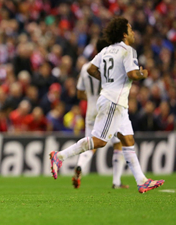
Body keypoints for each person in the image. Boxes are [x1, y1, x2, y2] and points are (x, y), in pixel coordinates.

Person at [50, 17, 165, 194]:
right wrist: (144, 73)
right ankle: (59, 156)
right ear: (124, 34)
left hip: (116, 102)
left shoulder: (106, 50)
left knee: (127, 140)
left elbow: (90, 69)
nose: (133, 32)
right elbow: (133, 74)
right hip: (114, 101)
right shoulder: (128, 51)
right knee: (100, 141)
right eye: (131, 29)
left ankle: (141, 181)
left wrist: (106, 80)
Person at [72, 38, 129, 189]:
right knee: (119, 143)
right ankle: (116, 181)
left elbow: (79, 94)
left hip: (90, 109)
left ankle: (80, 166)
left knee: (90, 143)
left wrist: (91, 98)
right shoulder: (111, 66)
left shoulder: (85, 67)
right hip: (107, 107)